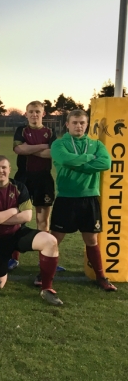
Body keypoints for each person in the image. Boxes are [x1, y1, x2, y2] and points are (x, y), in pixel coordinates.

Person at [0, 156, 63, 306]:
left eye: (3, 167)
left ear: (9, 169)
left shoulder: (19, 187)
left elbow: (27, 216)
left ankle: (47, 288)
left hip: (18, 233)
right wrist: (14, 210)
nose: (0, 170)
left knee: (50, 241)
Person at [49, 109, 117, 291]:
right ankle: (45, 274)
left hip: (89, 198)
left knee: (91, 239)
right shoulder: (58, 144)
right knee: (54, 239)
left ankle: (101, 277)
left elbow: (106, 163)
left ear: (87, 125)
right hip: (66, 197)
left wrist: (76, 163)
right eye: (75, 123)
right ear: (67, 124)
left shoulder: (96, 144)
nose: (78, 126)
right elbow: (63, 159)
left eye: (82, 123)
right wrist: (88, 159)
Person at [9, 101, 59, 271]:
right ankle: (13, 258)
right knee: (16, 219)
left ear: (43, 114)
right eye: (31, 111)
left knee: (42, 220)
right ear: (26, 113)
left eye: (37, 111)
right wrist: (41, 147)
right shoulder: (21, 130)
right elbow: (18, 150)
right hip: (23, 178)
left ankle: (43, 259)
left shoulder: (50, 132)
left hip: (44, 179)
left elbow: (52, 152)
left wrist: (29, 148)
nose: (34, 114)